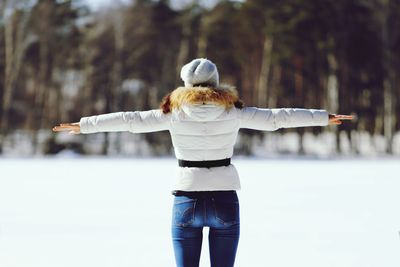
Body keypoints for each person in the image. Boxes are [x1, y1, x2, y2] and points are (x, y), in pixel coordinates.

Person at [53, 58, 353, 267]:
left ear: (185, 83)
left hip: (186, 200)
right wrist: (322, 117)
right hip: (225, 199)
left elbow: (130, 121)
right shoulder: (234, 111)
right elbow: (278, 118)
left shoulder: (173, 113)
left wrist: (85, 125)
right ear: (216, 82)